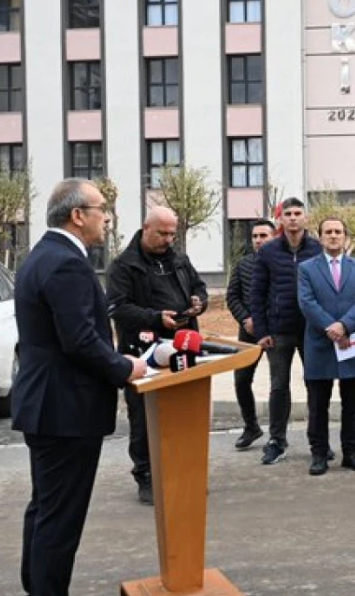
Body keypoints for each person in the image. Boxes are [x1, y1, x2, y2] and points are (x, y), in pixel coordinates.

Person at [12, 179, 146, 596]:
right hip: (65, 410)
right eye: (100, 208)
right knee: (59, 519)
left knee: (46, 510)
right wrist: (125, 367)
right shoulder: (66, 262)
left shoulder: (41, 256)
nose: (106, 217)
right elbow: (80, 339)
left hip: (47, 406)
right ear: (77, 215)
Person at [106, 206, 208, 505]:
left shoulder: (179, 259)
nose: (168, 239)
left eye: (172, 233)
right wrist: (154, 318)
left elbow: (200, 287)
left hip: (183, 345)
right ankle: (146, 475)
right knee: (144, 417)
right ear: (146, 228)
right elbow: (117, 308)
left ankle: (183, 473)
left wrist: (198, 301)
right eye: (162, 233)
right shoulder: (124, 266)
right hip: (142, 352)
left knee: (183, 414)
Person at [297, 218, 355, 476]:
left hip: (350, 340)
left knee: (351, 401)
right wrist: (331, 327)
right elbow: (306, 303)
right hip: (320, 341)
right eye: (328, 232)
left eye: (337, 232)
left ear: (345, 237)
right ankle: (319, 454)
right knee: (318, 402)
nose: (333, 236)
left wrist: (345, 325)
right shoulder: (307, 268)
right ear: (320, 238)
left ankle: (351, 452)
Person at [250, 197, 323, 465]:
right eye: (287, 214)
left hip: (311, 330)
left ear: (305, 217)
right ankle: (277, 441)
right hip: (278, 331)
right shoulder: (268, 251)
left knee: (315, 384)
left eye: (297, 213)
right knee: (279, 386)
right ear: (280, 219)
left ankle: (319, 440)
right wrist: (261, 330)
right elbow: (256, 293)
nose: (293, 218)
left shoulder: (317, 248)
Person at [226, 218, 276, 450]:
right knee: (242, 380)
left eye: (263, 236)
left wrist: (265, 319)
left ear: (274, 237)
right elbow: (232, 296)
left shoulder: (282, 263)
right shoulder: (243, 264)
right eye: (255, 236)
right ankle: (251, 426)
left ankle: (278, 434)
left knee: (279, 384)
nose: (258, 240)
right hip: (248, 332)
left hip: (275, 332)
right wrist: (245, 319)